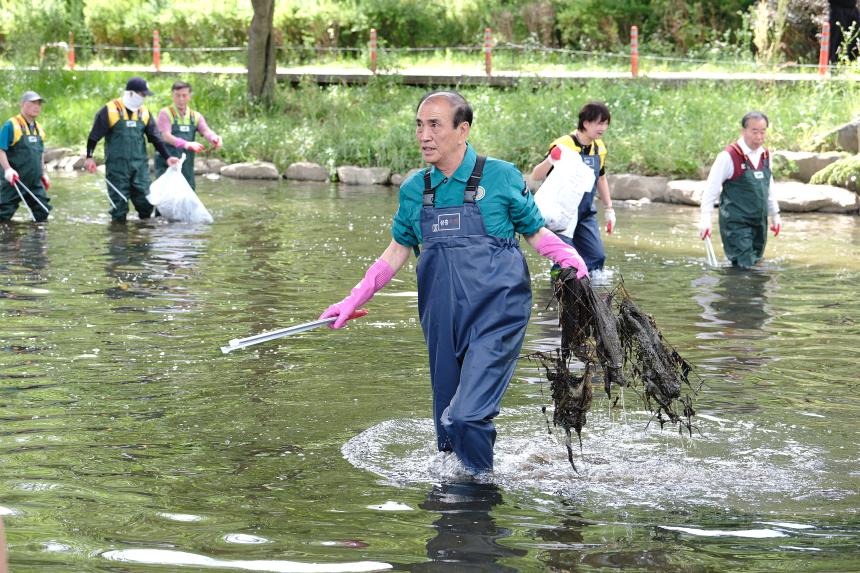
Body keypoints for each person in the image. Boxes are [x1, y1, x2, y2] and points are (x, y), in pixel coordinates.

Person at [320, 90, 588, 476]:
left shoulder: (500, 176)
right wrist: (353, 297)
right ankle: (456, 508)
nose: (424, 135)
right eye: (419, 125)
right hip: (441, 320)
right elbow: (396, 251)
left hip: (497, 315)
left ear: (462, 130)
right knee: (446, 433)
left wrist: (567, 256)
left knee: (465, 418)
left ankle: (483, 488)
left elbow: (534, 231)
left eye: (435, 125)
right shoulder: (416, 189)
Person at [530, 101, 615, 274]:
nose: (603, 128)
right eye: (599, 123)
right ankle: (557, 294)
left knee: (596, 257)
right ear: (586, 123)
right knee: (566, 261)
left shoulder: (599, 148)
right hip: (562, 215)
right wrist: (550, 160)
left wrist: (609, 209)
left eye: (606, 123)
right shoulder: (564, 144)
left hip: (585, 212)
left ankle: (586, 295)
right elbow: (536, 176)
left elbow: (601, 178)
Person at [84, 77, 179, 222]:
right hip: (117, 168)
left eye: (145, 95)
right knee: (119, 208)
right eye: (142, 94)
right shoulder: (110, 110)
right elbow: (94, 136)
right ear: (130, 93)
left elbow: (155, 137)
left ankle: (143, 238)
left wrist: (167, 157)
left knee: (146, 205)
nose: (144, 98)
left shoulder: (144, 112)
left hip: (139, 167)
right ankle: (119, 239)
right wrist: (89, 157)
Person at [698, 111, 781, 269]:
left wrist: (775, 215)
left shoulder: (766, 155)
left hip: (759, 222)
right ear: (743, 131)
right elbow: (711, 190)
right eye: (754, 131)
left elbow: (769, 186)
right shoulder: (728, 156)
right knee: (744, 268)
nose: (759, 137)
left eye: (763, 132)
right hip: (736, 223)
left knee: (755, 263)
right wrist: (705, 220)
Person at [155, 80, 223, 190]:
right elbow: (165, 136)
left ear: (189, 96)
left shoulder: (195, 116)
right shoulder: (165, 113)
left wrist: (214, 138)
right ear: (172, 96)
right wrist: (186, 144)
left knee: (187, 196)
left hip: (187, 167)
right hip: (167, 164)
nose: (181, 99)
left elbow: (206, 131)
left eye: (184, 95)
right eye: (177, 95)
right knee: (166, 197)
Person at [0, 91, 51, 222]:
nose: (37, 106)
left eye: (39, 103)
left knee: (43, 211)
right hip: (13, 181)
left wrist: (43, 173)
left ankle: (35, 242)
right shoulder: (11, 125)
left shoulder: (39, 129)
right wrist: (7, 170)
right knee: (3, 215)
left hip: (34, 182)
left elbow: (40, 154)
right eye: (33, 103)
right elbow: (1, 149)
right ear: (22, 104)